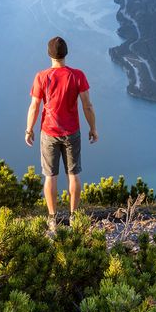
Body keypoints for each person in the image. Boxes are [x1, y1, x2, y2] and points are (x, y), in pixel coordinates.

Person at [25, 36, 98, 228]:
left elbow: (34, 107)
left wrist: (29, 129)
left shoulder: (41, 77)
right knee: (73, 174)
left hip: (48, 132)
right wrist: (93, 129)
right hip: (72, 132)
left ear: (49, 54)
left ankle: (52, 218)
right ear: (66, 53)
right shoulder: (77, 75)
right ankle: (74, 216)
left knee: (50, 176)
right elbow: (87, 106)